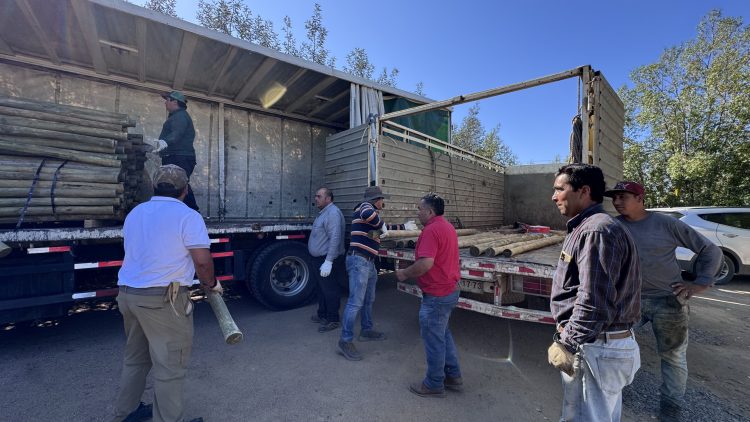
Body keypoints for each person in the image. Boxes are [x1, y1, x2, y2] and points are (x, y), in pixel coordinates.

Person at [111, 164, 222, 422]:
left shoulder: (135, 213)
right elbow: (202, 262)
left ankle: (126, 413)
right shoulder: (188, 217)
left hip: (128, 295)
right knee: (170, 367)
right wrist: (211, 284)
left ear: (153, 187)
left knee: (135, 359)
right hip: (163, 301)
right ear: (185, 190)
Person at [605, 181, 722, 421]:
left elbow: (711, 251)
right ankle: (612, 395)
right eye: (614, 198)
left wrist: (700, 283)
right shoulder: (613, 227)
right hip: (629, 302)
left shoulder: (666, 224)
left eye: (622, 197)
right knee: (615, 349)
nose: (616, 202)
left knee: (673, 356)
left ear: (640, 199)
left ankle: (671, 408)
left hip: (668, 302)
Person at [548, 164, 642, 422]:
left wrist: (567, 343)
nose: (554, 197)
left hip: (595, 346)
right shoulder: (590, 226)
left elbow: (593, 301)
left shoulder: (596, 231)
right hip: (600, 345)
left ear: (584, 191)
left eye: (559, 189)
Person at [337, 186, 417, 361]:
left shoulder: (370, 220)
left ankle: (366, 330)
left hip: (368, 263)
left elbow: (381, 230)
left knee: (369, 299)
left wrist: (403, 226)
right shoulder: (365, 207)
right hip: (359, 261)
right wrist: (381, 225)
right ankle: (345, 341)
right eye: (382, 199)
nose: (383, 202)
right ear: (376, 200)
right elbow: (371, 216)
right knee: (355, 303)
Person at [395, 193, 462, 398]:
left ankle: (434, 383)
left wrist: (405, 273)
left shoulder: (431, 230)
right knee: (442, 334)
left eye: (420, 209)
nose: (417, 213)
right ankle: (453, 376)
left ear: (430, 211)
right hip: (449, 290)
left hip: (437, 294)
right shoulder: (447, 226)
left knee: (434, 339)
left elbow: (426, 263)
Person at [308, 187, 346, 333]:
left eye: (319, 196)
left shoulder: (333, 213)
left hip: (327, 259)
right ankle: (322, 314)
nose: (316, 199)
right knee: (321, 288)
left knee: (330, 290)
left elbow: (335, 238)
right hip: (319, 259)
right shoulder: (324, 213)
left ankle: (333, 319)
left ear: (328, 198)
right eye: (316, 196)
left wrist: (328, 261)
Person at [156, 91, 199, 212]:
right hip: (177, 157)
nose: (165, 102)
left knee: (179, 185)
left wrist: (165, 142)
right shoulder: (177, 116)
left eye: (167, 100)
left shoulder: (180, 116)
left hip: (179, 157)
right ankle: (184, 213)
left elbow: (177, 133)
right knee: (176, 185)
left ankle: (194, 212)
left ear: (175, 102)